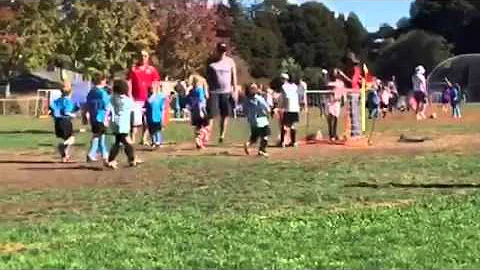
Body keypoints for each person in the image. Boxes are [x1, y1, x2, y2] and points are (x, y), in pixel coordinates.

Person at [206, 42, 238, 144]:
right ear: (217, 50)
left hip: (226, 92)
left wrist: (235, 90)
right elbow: (207, 78)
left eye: (224, 51)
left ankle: (222, 135)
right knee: (211, 115)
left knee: (225, 114)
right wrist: (207, 91)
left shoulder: (230, 62)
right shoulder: (211, 62)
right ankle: (206, 135)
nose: (222, 53)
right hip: (214, 92)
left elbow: (234, 78)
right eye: (220, 51)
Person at [106, 80, 142, 169]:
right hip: (124, 125)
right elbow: (132, 113)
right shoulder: (128, 100)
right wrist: (133, 125)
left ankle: (125, 159)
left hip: (115, 124)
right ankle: (131, 159)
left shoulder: (112, 98)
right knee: (126, 142)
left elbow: (108, 110)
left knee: (118, 142)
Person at [127, 50, 161, 145]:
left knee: (147, 120)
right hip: (136, 98)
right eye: (141, 56)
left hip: (148, 99)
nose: (143, 57)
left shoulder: (152, 70)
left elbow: (156, 82)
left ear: (148, 57)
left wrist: (155, 95)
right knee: (135, 121)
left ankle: (144, 139)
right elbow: (129, 82)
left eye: (145, 56)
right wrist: (129, 95)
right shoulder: (134, 69)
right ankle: (132, 139)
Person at [49, 81, 78, 163]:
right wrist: (73, 115)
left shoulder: (58, 100)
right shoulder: (68, 101)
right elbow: (66, 112)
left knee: (66, 138)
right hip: (65, 121)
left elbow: (51, 110)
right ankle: (62, 146)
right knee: (71, 139)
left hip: (57, 122)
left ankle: (64, 157)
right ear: (70, 93)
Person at [86, 72, 111, 163]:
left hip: (93, 117)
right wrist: (106, 118)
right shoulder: (103, 93)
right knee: (98, 135)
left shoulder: (91, 92)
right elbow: (107, 106)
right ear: (102, 81)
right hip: (101, 117)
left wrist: (86, 114)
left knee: (100, 135)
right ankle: (92, 153)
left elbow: (87, 104)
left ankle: (104, 154)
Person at [243, 83, 271, 157]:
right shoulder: (258, 98)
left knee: (254, 137)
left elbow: (245, 111)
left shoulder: (246, 99)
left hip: (252, 121)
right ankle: (262, 150)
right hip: (261, 119)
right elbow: (266, 107)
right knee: (265, 136)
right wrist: (269, 113)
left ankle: (248, 144)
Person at [279, 73, 300, 147]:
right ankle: (293, 142)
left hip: (287, 108)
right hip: (295, 108)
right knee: (293, 125)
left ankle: (282, 142)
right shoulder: (295, 87)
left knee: (285, 125)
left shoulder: (284, 86)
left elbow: (283, 98)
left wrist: (281, 107)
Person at [326, 69, 345, 141]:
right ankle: (331, 134)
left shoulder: (341, 83)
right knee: (330, 117)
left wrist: (343, 100)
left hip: (337, 102)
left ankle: (334, 133)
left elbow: (343, 92)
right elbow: (328, 86)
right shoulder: (330, 83)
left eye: (336, 73)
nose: (335, 75)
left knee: (336, 118)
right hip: (330, 102)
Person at [145, 84, 167, 149]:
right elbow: (146, 107)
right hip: (149, 117)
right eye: (150, 89)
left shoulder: (159, 97)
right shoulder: (148, 98)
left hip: (157, 117)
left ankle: (158, 142)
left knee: (157, 130)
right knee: (151, 131)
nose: (151, 90)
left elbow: (162, 107)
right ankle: (153, 142)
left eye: (152, 89)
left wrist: (162, 117)